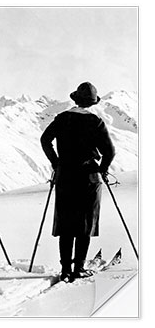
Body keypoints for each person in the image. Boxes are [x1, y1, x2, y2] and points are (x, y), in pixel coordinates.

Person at [40, 82, 115, 281]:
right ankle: (78, 268)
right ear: (92, 103)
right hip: (89, 178)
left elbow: (44, 140)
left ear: (76, 99)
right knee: (85, 224)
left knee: (66, 223)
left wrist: (56, 163)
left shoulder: (62, 119)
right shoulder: (96, 122)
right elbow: (110, 151)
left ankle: (65, 269)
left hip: (66, 175)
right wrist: (102, 169)